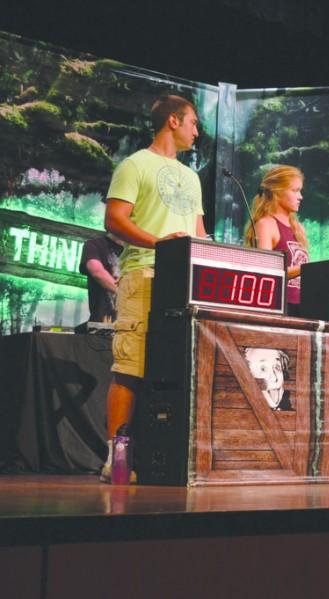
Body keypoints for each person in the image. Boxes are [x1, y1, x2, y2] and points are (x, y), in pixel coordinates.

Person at [101, 94, 206, 482]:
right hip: (143, 274)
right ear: (173, 122)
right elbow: (114, 218)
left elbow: (198, 233)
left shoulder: (192, 177)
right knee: (129, 369)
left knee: (178, 370)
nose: (197, 132)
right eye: (193, 123)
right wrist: (159, 243)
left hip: (184, 283)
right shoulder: (135, 165)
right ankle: (117, 457)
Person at [244, 165, 309, 315]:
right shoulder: (266, 224)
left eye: (300, 191)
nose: (300, 196)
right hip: (278, 306)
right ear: (277, 192)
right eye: (295, 190)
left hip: (302, 306)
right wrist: (307, 269)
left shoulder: (299, 228)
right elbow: (266, 271)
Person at [78, 232, 124, 323]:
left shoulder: (137, 251)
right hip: (102, 325)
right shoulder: (94, 245)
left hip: (131, 324)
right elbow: (96, 271)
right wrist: (123, 293)